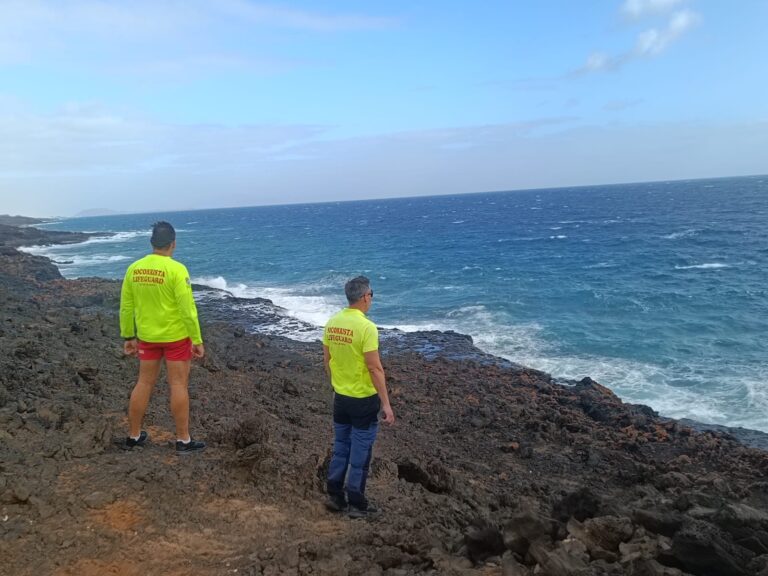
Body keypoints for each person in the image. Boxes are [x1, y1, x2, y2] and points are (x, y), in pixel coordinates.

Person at [119, 221, 206, 454]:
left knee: (143, 383)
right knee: (178, 384)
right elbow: (187, 309)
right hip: (176, 337)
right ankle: (183, 440)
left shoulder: (134, 269)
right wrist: (197, 339)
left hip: (147, 336)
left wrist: (128, 335)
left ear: (151, 243)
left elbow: (126, 306)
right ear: (173, 244)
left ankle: (134, 435)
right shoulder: (177, 270)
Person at [323, 276, 395, 518]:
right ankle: (356, 502)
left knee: (341, 446)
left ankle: (335, 495)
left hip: (340, 397)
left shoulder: (332, 322)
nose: (371, 298)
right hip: (363, 400)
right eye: (371, 294)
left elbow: (328, 360)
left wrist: (336, 385)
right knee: (360, 454)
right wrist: (386, 404)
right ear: (365, 297)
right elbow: (375, 369)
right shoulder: (367, 328)